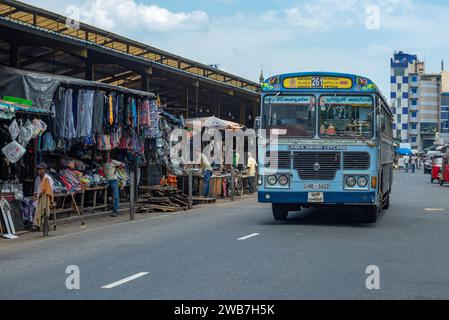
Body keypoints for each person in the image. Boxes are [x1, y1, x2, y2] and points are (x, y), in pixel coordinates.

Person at [33, 163, 54, 231]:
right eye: (38, 169)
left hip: (46, 197)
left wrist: (40, 195)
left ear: (44, 170)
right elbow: (36, 190)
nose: (38, 170)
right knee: (31, 205)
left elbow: (49, 191)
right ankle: (36, 223)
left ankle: (37, 224)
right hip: (38, 197)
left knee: (40, 207)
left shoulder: (48, 179)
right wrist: (35, 196)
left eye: (40, 169)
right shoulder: (37, 178)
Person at [103, 152, 124, 217]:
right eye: (105, 155)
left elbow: (123, 164)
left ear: (109, 156)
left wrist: (116, 170)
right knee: (109, 196)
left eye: (107, 155)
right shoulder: (104, 163)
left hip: (113, 180)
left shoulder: (113, 161)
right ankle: (111, 207)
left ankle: (115, 211)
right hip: (106, 181)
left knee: (115, 196)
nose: (106, 157)